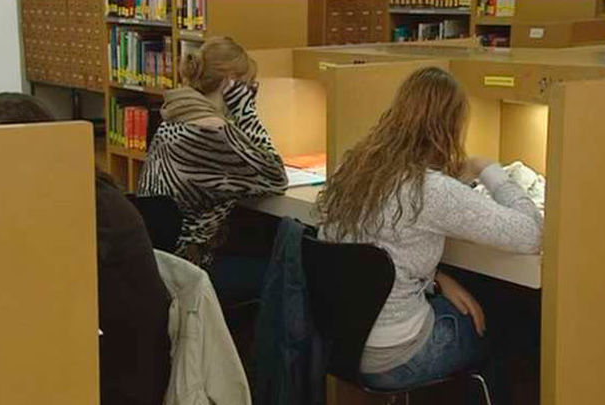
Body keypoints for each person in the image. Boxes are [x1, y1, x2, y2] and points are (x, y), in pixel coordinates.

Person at [315, 67, 543, 395]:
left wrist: (437, 278)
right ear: (449, 128)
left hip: (340, 344)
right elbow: (531, 234)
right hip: (396, 356)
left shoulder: (355, 168)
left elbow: (373, 255)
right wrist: (488, 169)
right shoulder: (429, 189)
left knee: (474, 295)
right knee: (503, 316)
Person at [0, 93, 172, 405]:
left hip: (113, 380)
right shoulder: (74, 187)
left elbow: (34, 298)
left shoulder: (85, 207)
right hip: (100, 359)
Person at [137, 37, 288, 278]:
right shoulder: (211, 131)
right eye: (250, 86)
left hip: (164, 260)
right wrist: (246, 111)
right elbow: (276, 177)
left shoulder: (177, 116)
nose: (252, 93)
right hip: (193, 267)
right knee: (285, 268)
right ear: (231, 83)